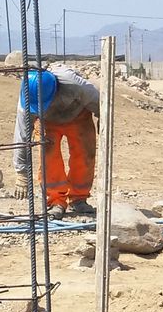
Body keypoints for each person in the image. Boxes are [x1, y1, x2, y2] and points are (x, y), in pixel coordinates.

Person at [14, 65, 100, 216]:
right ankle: (56, 201)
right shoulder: (27, 100)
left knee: (84, 155)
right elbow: (21, 136)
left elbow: (101, 104)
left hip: (78, 115)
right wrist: (21, 172)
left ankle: (79, 199)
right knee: (49, 159)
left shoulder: (74, 84)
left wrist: (103, 121)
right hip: (47, 121)